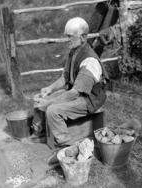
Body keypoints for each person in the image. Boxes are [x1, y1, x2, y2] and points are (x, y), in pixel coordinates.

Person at [31, 17, 109, 148]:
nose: (66, 40)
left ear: (83, 37)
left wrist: (50, 103)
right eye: (66, 36)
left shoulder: (89, 61)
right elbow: (64, 78)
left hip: (89, 99)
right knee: (41, 99)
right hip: (76, 92)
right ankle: (40, 131)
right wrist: (49, 89)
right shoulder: (74, 52)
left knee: (53, 110)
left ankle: (66, 144)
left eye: (70, 36)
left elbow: (75, 93)